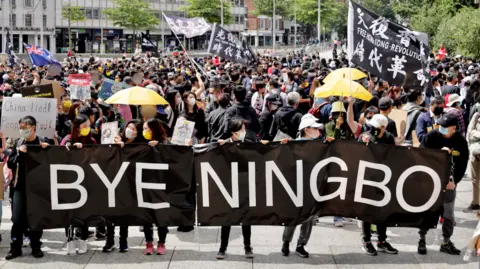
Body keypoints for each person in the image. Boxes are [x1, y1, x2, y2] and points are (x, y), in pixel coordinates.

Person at [418, 113, 468, 256]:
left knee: (448, 214)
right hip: (431, 181)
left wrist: (454, 181)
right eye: (440, 126)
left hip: (448, 184)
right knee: (426, 211)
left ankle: (446, 242)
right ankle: (422, 239)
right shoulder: (432, 136)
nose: (442, 129)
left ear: (453, 128)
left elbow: (463, 164)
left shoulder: (460, 142)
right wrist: (438, 154)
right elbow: (420, 154)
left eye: (445, 127)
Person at [5, 116, 48, 260]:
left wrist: (46, 150)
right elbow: (10, 163)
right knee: (17, 218)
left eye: (25, 128)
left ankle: (36, 246)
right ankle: (15, 247)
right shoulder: (18, 143)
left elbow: (53, 160)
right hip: (20, 186)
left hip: (37, 187)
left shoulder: (43, 141)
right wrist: (18, 153)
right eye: (21, 128)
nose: (22, 131)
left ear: (33, 128)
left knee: (36, 216)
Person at [281, 114, 323, 258]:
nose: (318, 131)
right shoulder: (294, 144)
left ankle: (301, 245)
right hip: (296, 186)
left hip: (312, 187)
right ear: (306, 129)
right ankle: (286, 242)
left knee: (309, 217)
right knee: (293, 216)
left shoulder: (320, 145)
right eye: (314, 128)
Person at [357, 114, 398, 256]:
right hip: (367, 179)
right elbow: (355, 153)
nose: (372, 128)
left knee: (383, 211)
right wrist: (364, 143)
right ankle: (366, 240)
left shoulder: (388, 138)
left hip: (383, 180)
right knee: (366, 211)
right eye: (372, 126)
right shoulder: (365, 135)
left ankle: (382, 241)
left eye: (376, 127)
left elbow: (393, 156)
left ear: (383, 128)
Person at [216, 118, 255, 260]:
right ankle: (223, 247)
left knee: (246, 218)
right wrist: (220, 148)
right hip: (229, 188)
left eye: (244, 129)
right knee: (227, 218)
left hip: (245, 186)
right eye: (241, 129)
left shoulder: (249, 143)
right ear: (233, 132)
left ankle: (247, 246)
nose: (244, 132)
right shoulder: (224, 144)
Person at [60, 114, 97, 255]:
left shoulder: (91, 140)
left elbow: (97, 157)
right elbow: (58, 155)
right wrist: (70, 149)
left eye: (89, 125)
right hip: (68, 182)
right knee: (69, 212)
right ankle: (70, 239)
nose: (88, 128)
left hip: (86, 181)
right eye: (85, 126)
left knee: (83, 212)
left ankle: (82, 239)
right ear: (77, 126)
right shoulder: (67, 140)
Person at [141, 118, 170, 255]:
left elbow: (173, 156)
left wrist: (158, 148)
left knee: (161, 215)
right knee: (146, 215)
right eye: (143, 128)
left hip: (161, 184)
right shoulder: (142, 143)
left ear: (154, 129)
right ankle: (148, 242)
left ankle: (161, 243)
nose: (144, 131)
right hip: (145, 184)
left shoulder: (165, 142)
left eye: (146, 128)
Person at [466, 103, 480, 213]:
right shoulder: (476, 116)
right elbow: (469, 133)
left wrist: (476, 134)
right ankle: (475, 202)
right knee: (474, 179)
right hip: (475, 152)